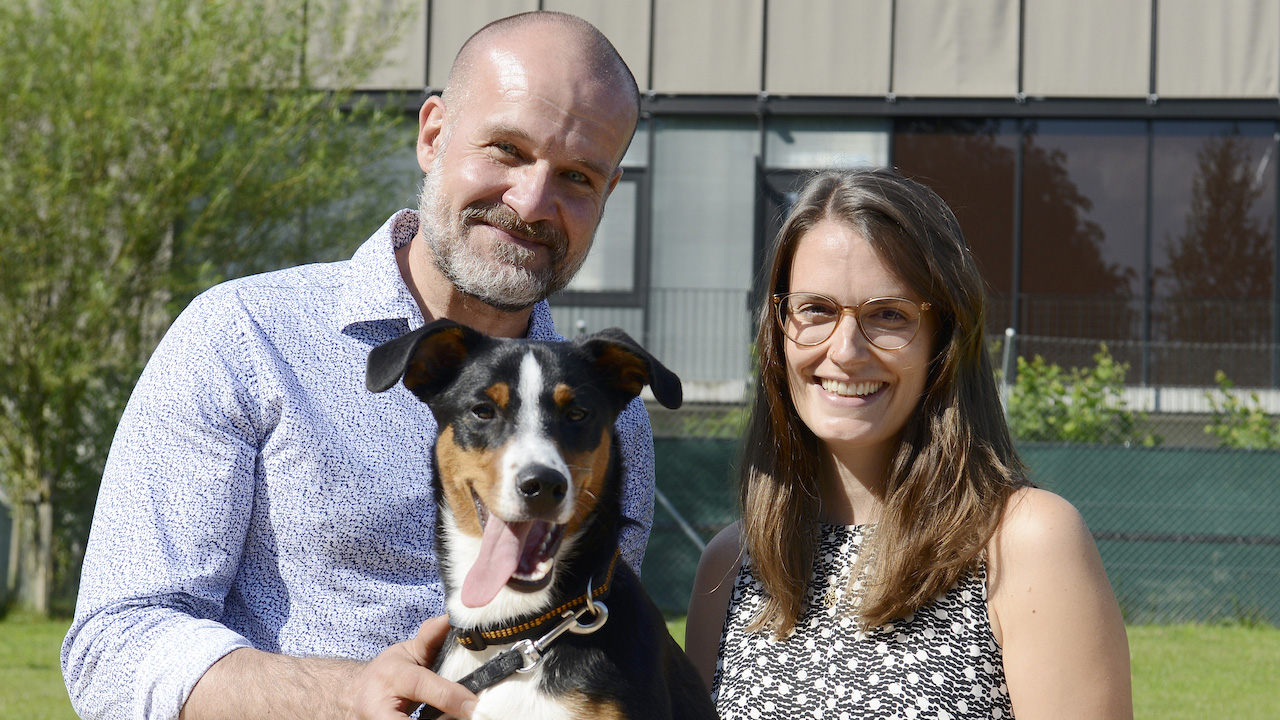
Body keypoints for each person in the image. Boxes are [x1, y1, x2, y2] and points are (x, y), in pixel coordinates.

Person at [61, 11, 648, 720]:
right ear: (433, 135)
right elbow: (114, 647)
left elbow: (597, 656)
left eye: (577, 176)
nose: (531, 202)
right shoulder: (244, 337)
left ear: (608, 194)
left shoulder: (611, 418)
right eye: (506, 149)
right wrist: (346, 695)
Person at [685, 169, 1133, 719]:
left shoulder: (1024, 543)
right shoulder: (731, 565)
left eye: (888, 315)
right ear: (779, 331)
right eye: (816, 309)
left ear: (944, 339)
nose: (845, 351)